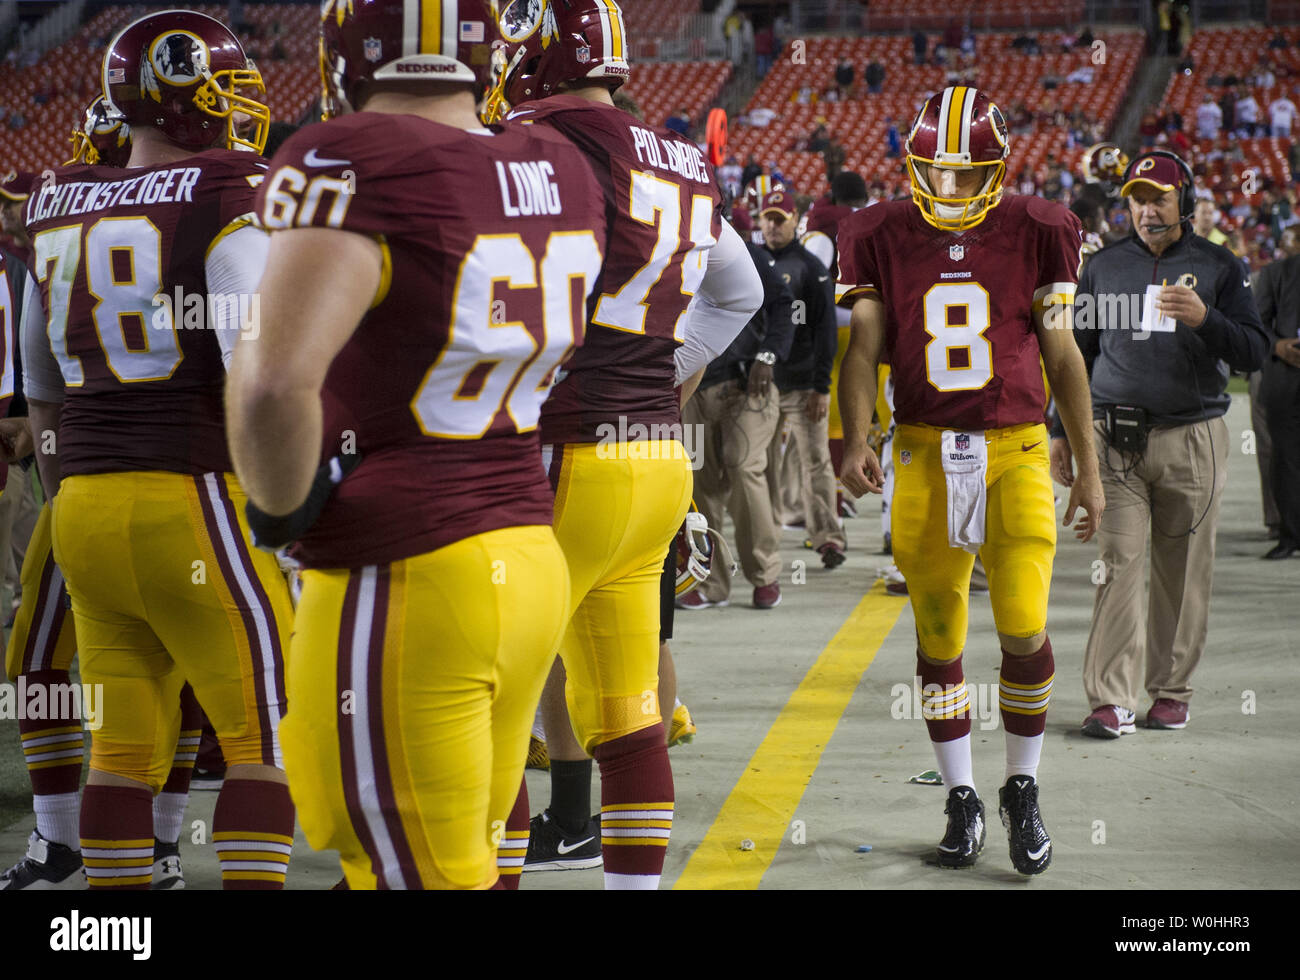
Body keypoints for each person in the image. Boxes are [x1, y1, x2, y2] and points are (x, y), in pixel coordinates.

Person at [228, 0, 609, 890]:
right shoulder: (561, 165)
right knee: (473, 852)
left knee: (404, 867)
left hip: (407, 570)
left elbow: (273, 384)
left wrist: (280, 513)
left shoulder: (352, 154)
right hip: (522, 554)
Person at [487, 0, 761, 889]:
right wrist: (667, 370)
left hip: (563, 450)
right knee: (629, 705)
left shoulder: (528, 142)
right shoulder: (676, 154)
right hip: (652, 455)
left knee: (495, 697)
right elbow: (739, 291)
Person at [21, 9, 294, 890]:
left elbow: (41, 379)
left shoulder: (55, 201)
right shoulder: (221, 193)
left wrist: (70, 484)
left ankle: (113, 932)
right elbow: (253, 363)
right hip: (190, 494)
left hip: (84, 511)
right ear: (189, 95)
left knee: (122, 747)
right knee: (263, 737)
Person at [837, 86, 1103, 876]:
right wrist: (858, 435)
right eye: (936, 173)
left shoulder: (1041, 228)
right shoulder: (878, 230)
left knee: (1022, 623)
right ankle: (960, 796)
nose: (948, 189)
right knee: (939, 632)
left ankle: (1023, 786)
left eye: (965, 173)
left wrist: (1086, 467)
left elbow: (1062, 357)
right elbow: (862, 350)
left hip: (1016, 448)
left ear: (996, 166)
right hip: (922, 449)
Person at [1051, 151, 1269, 737]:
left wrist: (1207, 320)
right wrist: (1058, 431)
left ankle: (1171, 691)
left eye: (1160, 200)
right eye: (1137, 200)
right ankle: (1110, 699)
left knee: (1182, 568)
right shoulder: (1101, 267)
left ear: (1186, 204)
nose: (1147, 211)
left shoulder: (1220, 266)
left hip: (1190, 437)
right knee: (1116, 562)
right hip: (1111, 440)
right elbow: (1076, 354)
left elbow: (1254, 350)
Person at [680, 230, 796, 612]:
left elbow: (784, 304)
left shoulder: (735, 247)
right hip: (691, 387)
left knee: (744, 467)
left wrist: (769, 355)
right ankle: (711, 582)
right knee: (699, 481)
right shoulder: (665, 242)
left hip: (743, 383)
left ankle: (765, 573)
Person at [759, 190, 842, 573]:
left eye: (780, 219)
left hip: (804, 382)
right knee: (757, 464)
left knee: (816, 462)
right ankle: (766, 534)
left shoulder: (810, 266)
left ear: (795, 220)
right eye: (767, 219)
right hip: (762, 383)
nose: (773, 226)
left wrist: (822, 386)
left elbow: (826, 329)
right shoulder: (752, 263)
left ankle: (828, 537)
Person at [1251, 234, 1300, 559]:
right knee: (1284, 460)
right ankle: (1290, 534)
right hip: (1285, 380)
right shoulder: (1275, 273)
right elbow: (1255, 327)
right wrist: (1278, 346)